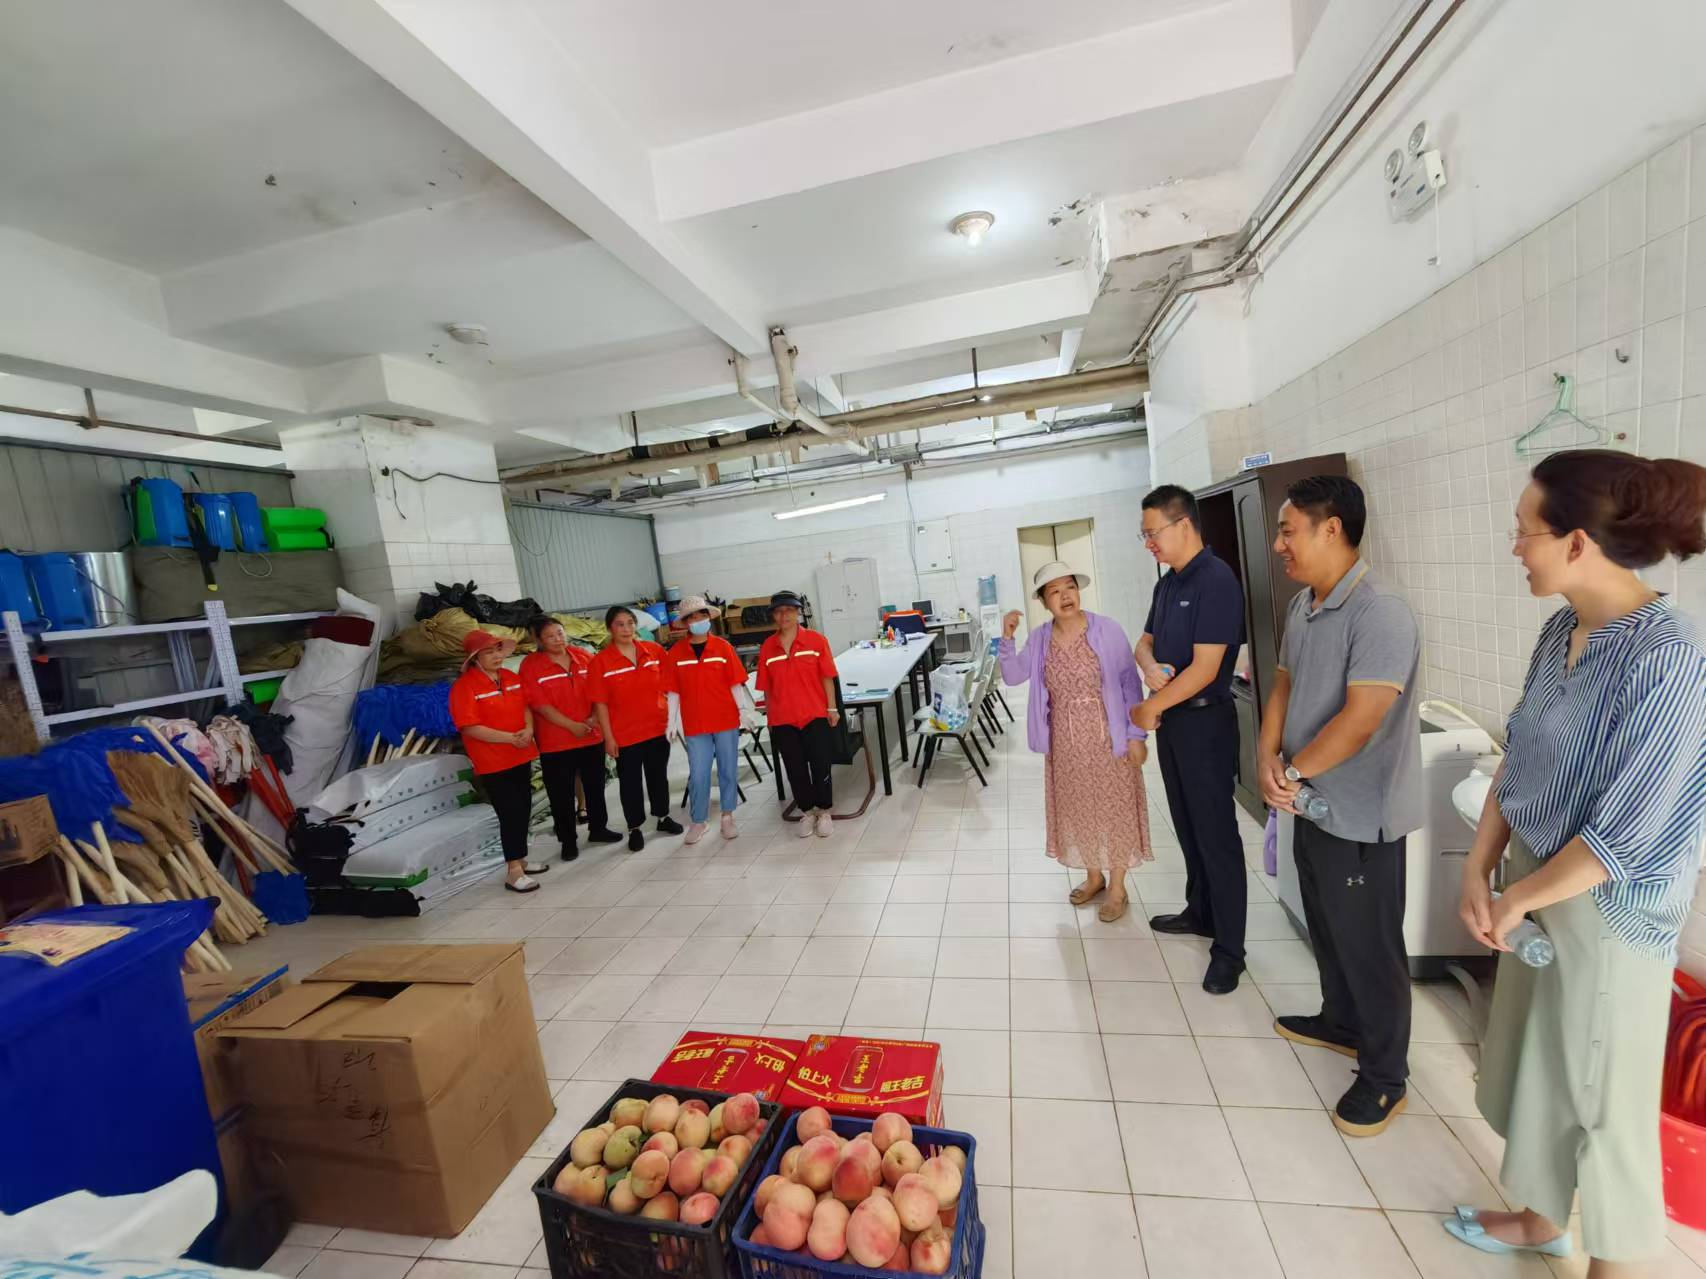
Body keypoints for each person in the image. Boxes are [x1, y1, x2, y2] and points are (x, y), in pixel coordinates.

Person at [1444, 450, 1706, 1271]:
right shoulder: (1562, 628)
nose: (1515, 547)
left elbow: (1628, 831)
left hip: (1609, 909)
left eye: (1525, 531)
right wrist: (1478, 866)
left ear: (1579, 542)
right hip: (1539, 883)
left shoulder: (1668, 656)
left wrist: (1518, 895)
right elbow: (1519, 754)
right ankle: (1538, 1219)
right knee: (1542, 1064)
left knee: (1604, 1099)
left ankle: (1613, 1262)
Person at [1258, 473, 1422, 1137]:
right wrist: (1267, 755)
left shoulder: (1380, 611)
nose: (1278, 545)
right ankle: (1341, 1021)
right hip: (1310, 803)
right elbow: (1283, 683)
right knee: (1325, 924)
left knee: (1370, 945)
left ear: (1332, 529)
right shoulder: (1305, 606)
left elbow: (1361, 719)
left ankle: (1385, 1077)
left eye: (1287, 531)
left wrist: (1293, 771)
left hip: (1360, 816)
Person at [1134, 484, 1248, 994]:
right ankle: (1200, 911)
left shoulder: (1215, 580)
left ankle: (1230, 951)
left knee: (1216, 834)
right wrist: (1149, 668)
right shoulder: (1167, 584)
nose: (1149, 543)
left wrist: (1150, 706)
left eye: (1152, 533)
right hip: (1175, 725)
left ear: (1183, 525)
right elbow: (1145, 642)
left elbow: (1205, 669)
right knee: (1186, 824)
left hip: (1205, 724)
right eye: (1144, 535)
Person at [999, 561, 1151, 923]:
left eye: (1070, 587)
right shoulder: (1040, 639)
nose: (1065, 596)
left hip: (1109, 737)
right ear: (1043, 601)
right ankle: (1094, 877)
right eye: (1054, 591)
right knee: (1079, 810)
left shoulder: (1107, 629)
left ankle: (1118, 887)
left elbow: (1130, 683)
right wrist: (1006, 638)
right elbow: (1013, 675)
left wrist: (1136, 735)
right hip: (1065, 744)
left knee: (1114, 810)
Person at [449, 629, 550, 892]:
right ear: (474, 658)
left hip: (520, 753)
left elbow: (525, 706)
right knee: (509, 812)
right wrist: (509, 738)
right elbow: (469, 727)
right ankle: (513, 871)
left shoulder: (511, 678)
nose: (496, 656)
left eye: (497, 650)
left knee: (523, 807)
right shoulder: (464, 687)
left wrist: (528, 730)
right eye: (488, 652)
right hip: (493, 760)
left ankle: (521, 859)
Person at [520, 615, 624, 862]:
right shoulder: (531, 665)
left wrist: (594, 718)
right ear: (539, 640)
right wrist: (572, 726)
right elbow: (539, 704)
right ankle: (568, 841)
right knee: (561, 795)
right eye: (550, 636)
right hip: (556, 742)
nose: (558, 639)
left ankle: (598, 829)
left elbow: (601, 690)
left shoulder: (583, 656)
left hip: (591, 735)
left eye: (560, 632)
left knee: (595, 786)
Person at [588, 605, 684, 851]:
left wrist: (672, 722)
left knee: (658, 776)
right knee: (630, 783)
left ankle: (662, 817)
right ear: (610, 628)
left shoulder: (653, 651)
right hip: (625, 734)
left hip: (656, 728)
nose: (626, 629)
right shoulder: (600, 662)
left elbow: (670, 686)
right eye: (620, 624)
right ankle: (635, 827)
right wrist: (608, 738)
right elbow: (600, 704)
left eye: (630, 623)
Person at [662, 595, 747, 844]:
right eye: (692, 617)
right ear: (686, 622)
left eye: (702, 615)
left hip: (725, 719)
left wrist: (743, 711)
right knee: (698, 773)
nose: (698, 619)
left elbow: (735, 683)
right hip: (695, 724)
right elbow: (673, 691)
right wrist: (671, 721)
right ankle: (699, 821)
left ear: (708, 617)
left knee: (728, 769)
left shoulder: (723, 648)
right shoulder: (676, 653)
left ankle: (727, 816)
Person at [756, 590, 840, 837]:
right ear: (773, 616)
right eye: (779, 611)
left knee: (820, 765)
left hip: (815, 715)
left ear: (798, 613)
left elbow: (827, 677)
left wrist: (832, 708)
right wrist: (771, 717)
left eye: (789, 610)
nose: (784, 615)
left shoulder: (816, 640)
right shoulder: (768, 647)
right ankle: (807, 812)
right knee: (795, 769)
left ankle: (824, 811)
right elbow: (767, 688)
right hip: (783, 719)